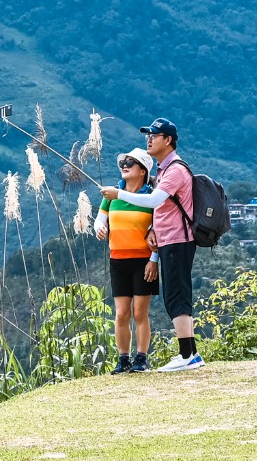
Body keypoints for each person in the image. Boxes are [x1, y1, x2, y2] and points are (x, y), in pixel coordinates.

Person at [99, 116, 202, 371]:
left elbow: (155, 201)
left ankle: (187, 356)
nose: (149, 139)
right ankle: (190, 353)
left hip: (178, 239)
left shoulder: (175, 169)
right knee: (176, 295)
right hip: (168, 241)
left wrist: (119, 194)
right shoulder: (164, 170)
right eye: (149, 135)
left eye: (154, 135)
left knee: (177, 296)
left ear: (168, 140)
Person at [92, 147, 159, 372]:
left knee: (140, 313)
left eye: (131, 162)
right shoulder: (112, 196)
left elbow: (159, 231)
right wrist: (99, 227)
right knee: (121, 313)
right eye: (124, 162)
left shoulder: (151, 198)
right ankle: (123, 359)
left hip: (143, 261)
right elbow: (100, 220)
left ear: (143, 171)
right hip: (118, 260)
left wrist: (154, 259)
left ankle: (141, 359)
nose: (125, 165)